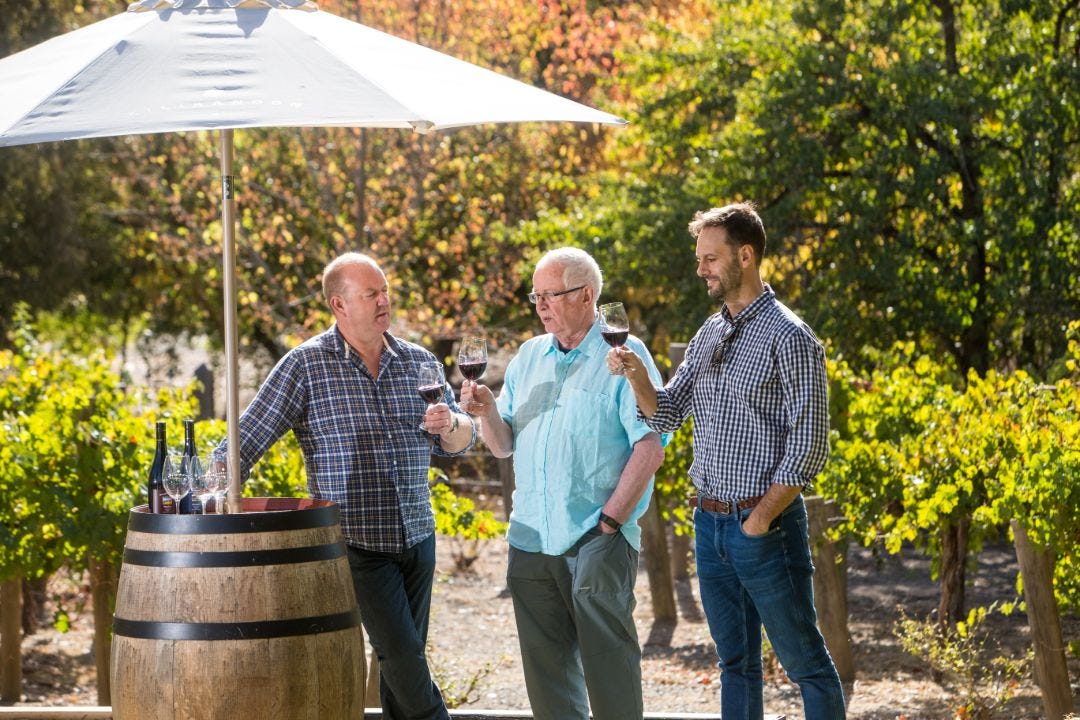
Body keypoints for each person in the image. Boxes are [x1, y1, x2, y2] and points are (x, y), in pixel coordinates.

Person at [609, 203, 846, 719]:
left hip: (765, 528)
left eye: (710, 258)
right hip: (710, 525)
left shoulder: (792, 338)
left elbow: (809, 447)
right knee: (735, 664)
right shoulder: (709, 332)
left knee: (805, 662)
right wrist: (635, 374)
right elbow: (668, 413)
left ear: (745, 255)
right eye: (699, 259)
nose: (701, 269)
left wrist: (758, 521)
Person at [226, 252, 475, 720]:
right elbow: (248, 437)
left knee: (402, 664)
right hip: (356, 542)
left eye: (385, 291)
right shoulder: (305, 365)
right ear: (339, 305)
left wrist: (451, 424)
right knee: (402, 656)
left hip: (418, 535)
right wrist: (203, 486)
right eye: (371, 294)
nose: (384, 301)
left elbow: (456, 444)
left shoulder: (418, 362)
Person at [462, 247, 666, 720]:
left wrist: (609, 526)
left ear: (587, 295)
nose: (541, 307)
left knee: (610, 679)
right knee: (549, 686)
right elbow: (502, 445)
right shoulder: (529, 356)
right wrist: (488, 411)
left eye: (550, 295)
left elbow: (650, 448)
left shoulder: (625, 357)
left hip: (595, 540)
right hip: (531, 540)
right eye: (536, 297)